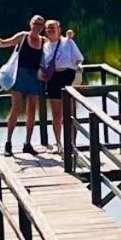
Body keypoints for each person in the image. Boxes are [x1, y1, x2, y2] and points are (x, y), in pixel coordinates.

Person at [0, 15, 46, 156]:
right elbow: (2, 44)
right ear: (30, 24)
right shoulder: (23, 36)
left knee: (31, 110)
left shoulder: (44, 41)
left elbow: (55, 52)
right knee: (16, 108)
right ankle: (8, 143)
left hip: (34, 77)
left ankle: (27, 143)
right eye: (35, 23)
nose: (37, 27)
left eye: (40, 25)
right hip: (19, 75)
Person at [41, 19, 84, 153]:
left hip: (68, 76)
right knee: (56, 115)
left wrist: (79, 70)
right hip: (53, 79)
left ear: (59, 28)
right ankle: (59, 144)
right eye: (48, 28)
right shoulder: (45, 46)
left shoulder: (68, 41)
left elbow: (79, 58)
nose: (50, 30)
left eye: (53, 27)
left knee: (70, 113)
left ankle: (71, 144)